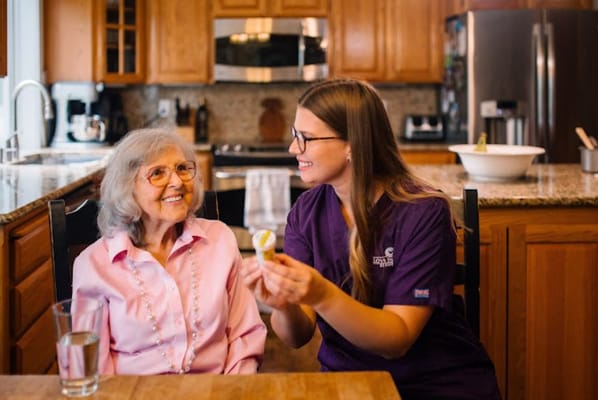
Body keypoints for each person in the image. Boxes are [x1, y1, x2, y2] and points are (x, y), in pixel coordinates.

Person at [241, 79, 501, 399]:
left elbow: (398, 339)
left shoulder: (424, 212)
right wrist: (283, 306)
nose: (294, 148)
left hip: (435, 383)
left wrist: (321, 294)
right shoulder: (305, 213)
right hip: (347, 383)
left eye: (306, 138)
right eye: (296, 136)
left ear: (352, 143)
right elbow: (298, 336)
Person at [72, 128, 266, 375]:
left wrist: (234, 390)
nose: (177, 182)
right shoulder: (93, 265)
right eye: (157, 173)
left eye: (182, 169)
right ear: (127, 187)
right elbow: (90, 368)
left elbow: (245, 335)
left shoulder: (220, 240)